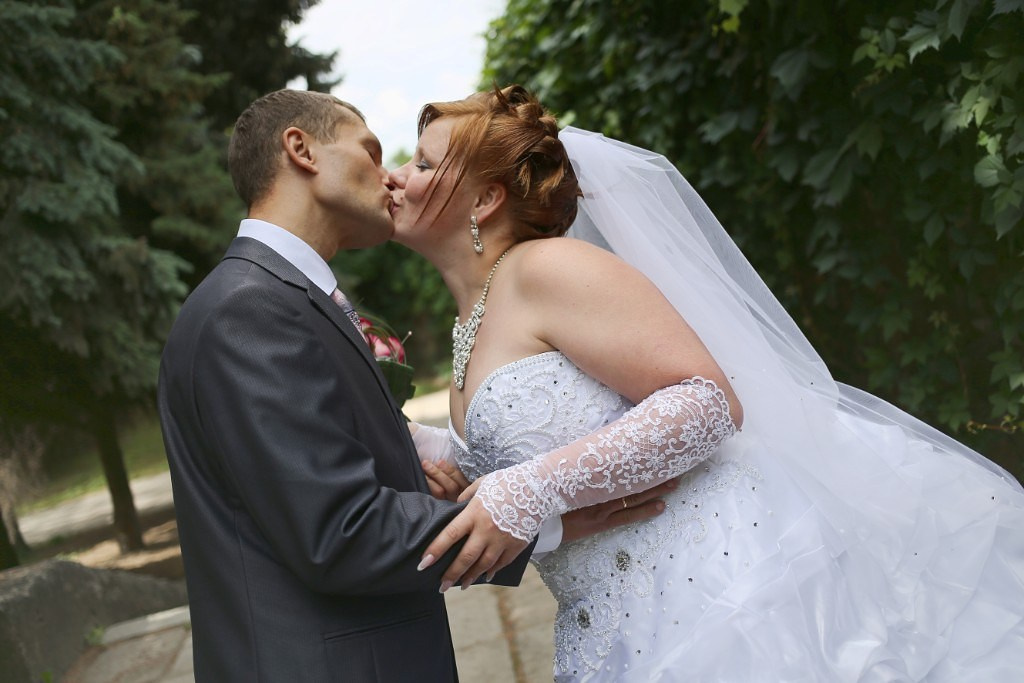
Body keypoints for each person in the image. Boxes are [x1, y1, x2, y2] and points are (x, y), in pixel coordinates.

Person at [389, 85, 1024, 681]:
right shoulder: (473, 318)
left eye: (421, 164)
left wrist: (531, 487)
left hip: (722, 589)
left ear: (483, 200)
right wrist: (423, 445)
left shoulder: (547, 267)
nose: (396, 176)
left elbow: (707, 400)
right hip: (613, 623)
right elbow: (524, 456)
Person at [157, 88, 671, 682]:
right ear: (301, 150)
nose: (391, 175)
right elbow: (338, 531)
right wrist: (536, 521)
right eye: (371, 151)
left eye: (416, 162)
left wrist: (410, 468)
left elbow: (307, 482)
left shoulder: (273, 298)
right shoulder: (249, 308)